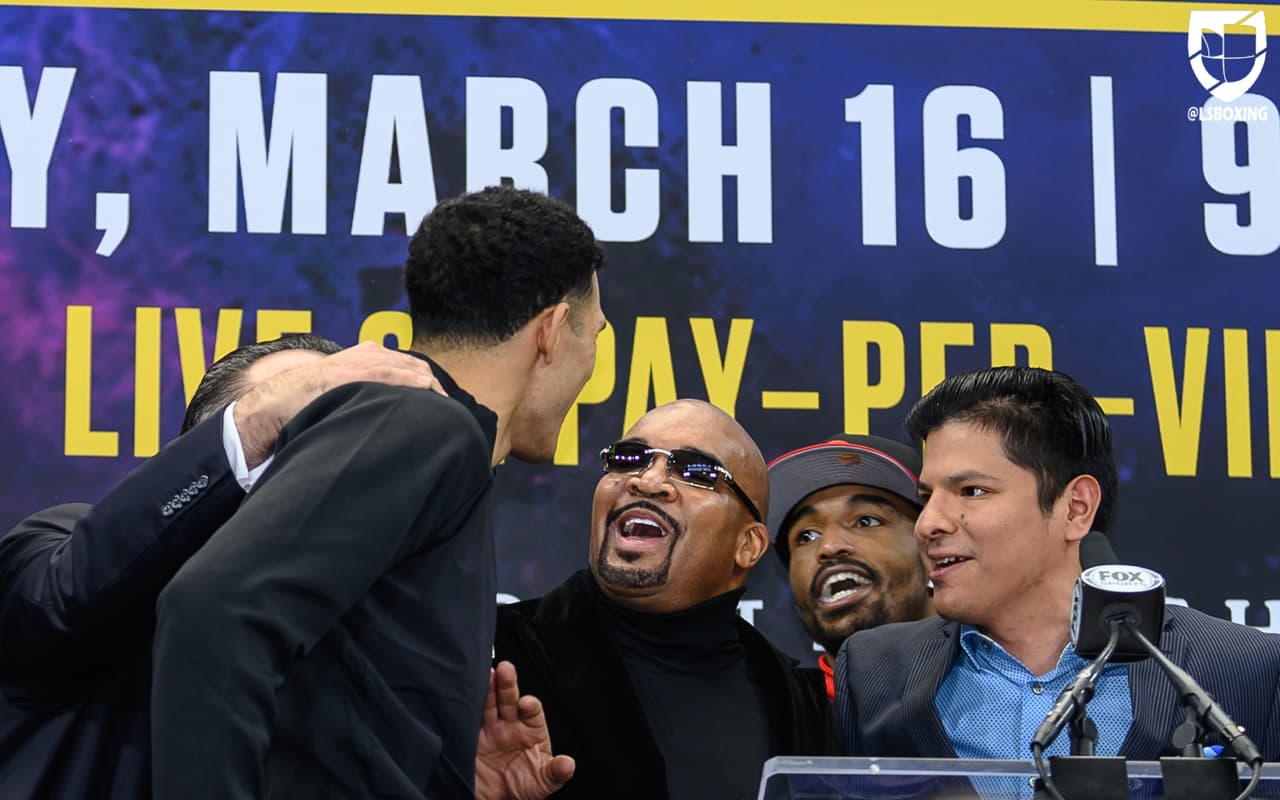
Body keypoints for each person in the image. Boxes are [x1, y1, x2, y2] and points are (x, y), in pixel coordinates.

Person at [149, 186, 608, 800]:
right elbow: (211, 608)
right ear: (551, 330)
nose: (592, 364)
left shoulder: (435, 441)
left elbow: (328, 721)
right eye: (595, 336)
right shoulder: (425, 427)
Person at [0, 334, 445, 798]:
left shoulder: (370, 644)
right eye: (296, 432)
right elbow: (68, 597)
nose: (320, 470)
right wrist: (260, 419)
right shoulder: (54, 548)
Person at [835, 367, 1280, 770]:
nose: (929, 523)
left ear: (1075, 508)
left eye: (971, 491)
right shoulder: (873, 672)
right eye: (925, 497)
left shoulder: (1245, 667)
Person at [492, 399, 839, 800]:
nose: (646, 480)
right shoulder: (497, 654)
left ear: (748, 545)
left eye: (695, 470)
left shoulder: (806, 707)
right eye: (629, 458)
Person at [767, 433, 933, 699]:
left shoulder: (1006, 700)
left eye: (866, 521)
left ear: (931, 548)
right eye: (807, 535)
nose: (830, 546)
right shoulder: (775, 726)